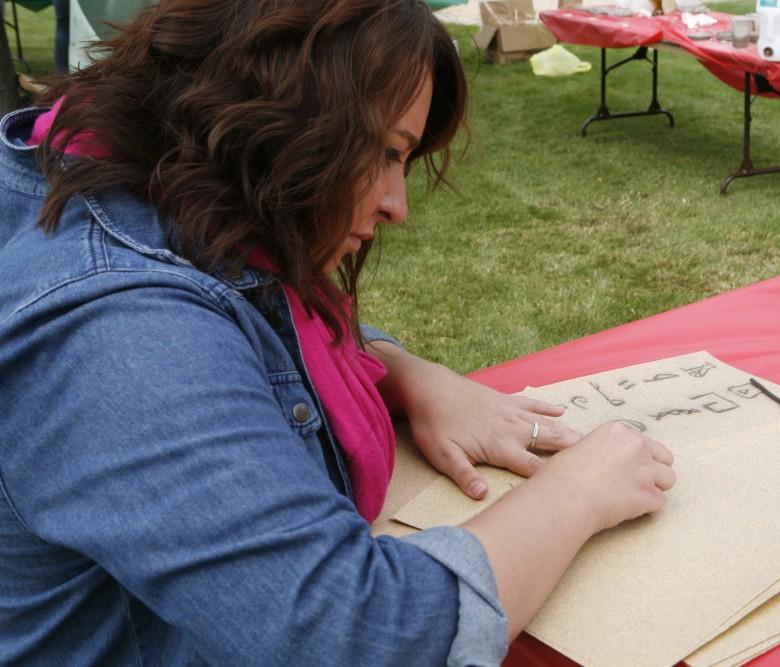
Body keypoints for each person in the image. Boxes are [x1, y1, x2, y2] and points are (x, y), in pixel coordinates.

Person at [0, 1, 677, 665]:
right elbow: (355, 635)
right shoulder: (120, 333)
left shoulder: (157, 197)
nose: (397, 205)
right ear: (268, 114)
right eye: (384, 151)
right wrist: (580, 488)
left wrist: (407, 372)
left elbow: (250, 316)